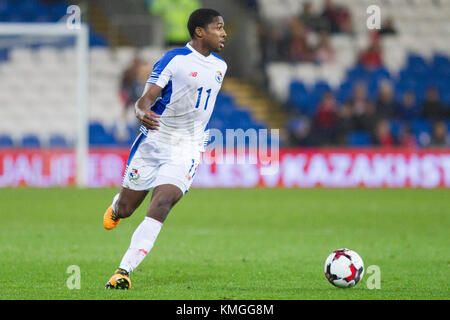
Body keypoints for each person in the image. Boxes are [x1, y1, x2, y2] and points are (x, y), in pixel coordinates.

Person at [103, 8, 227, 290]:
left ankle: (123, 270)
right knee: (125, 209)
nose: (224, 33)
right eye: (218, 27)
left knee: (162, 202)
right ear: (199, 31)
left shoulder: (221, 66)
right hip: (155, 141)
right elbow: (145, 99)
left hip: (189, 146)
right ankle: (116, 205)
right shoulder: (174, 60)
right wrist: (140, 112)